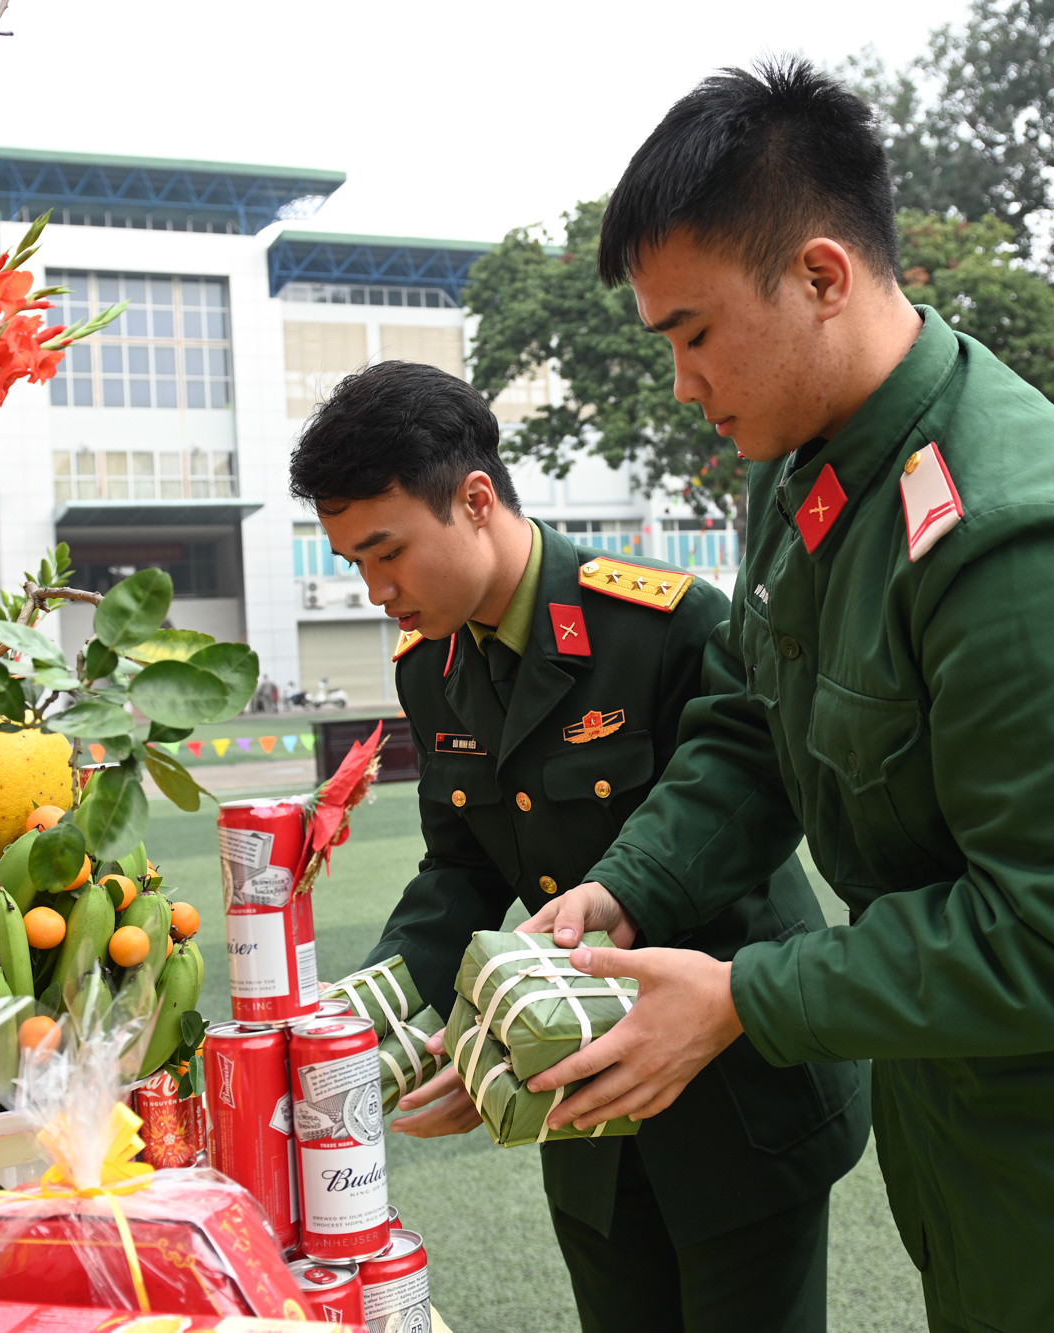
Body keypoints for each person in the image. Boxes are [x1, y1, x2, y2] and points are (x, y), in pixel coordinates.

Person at [520, 60, 1054, 1333]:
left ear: (821, 278)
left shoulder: (1022, 546)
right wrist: (629, 886)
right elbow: (753, 722)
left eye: (692, 333)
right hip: (986, 1142)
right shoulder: (804, 476)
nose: (682, 381)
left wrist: (745, 997)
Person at [288, 358, 869, 1333]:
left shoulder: (660, 623)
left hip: (735, 1095)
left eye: (386, 551)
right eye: (352, 563)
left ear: (474, 500)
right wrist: (370, 1007)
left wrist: (615, 895)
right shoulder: (433, 670)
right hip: (579, 1096)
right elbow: (460, 866)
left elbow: (750, 790)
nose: (373, 588)